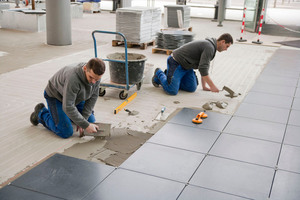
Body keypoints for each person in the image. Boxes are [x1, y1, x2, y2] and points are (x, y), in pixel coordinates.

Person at [30, 58, 106, 138]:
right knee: (66, 132)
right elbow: (68, 106)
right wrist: (85, 124)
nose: (93, 82)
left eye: (97, 79)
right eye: (91, 77)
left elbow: (92, 98)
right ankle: (41, 113)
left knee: (91, 121)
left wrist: (84, 120)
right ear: (85, 69)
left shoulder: (95, 76)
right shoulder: (73, 78)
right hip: (56, 96)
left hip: (75, 97)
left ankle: (67, 117)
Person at [152, 33, 233, 95]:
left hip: (187, 66)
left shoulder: (211, 47)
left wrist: (204, 86)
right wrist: (212, 86)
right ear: (222, 42)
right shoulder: (209, 47)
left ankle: (171, 77)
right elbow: (203, 69)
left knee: (191, 88)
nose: (226, 49)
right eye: (227, 46)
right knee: (172, 91)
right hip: (176, 62)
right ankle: (159, 74)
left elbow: (204, 67)